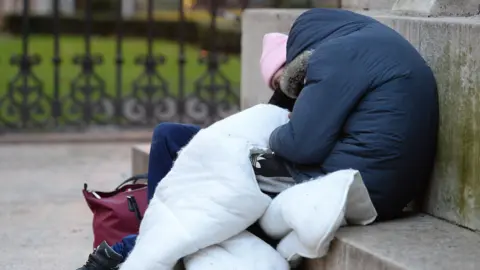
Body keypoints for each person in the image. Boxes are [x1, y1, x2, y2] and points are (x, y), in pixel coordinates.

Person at [77, 33, 292, 270]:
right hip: (257, 159)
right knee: (167, 135)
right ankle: (153, 231)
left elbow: (301, 145)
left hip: (271, 183)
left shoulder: (324, 92)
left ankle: (141, 244)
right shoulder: (306, 88)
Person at [268, 8, 438, 221]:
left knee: (245, 163)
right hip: (394, 192)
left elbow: (301, 145)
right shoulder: (376, 43)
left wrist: (272, 134)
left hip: (356, 186)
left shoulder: (333, 55)